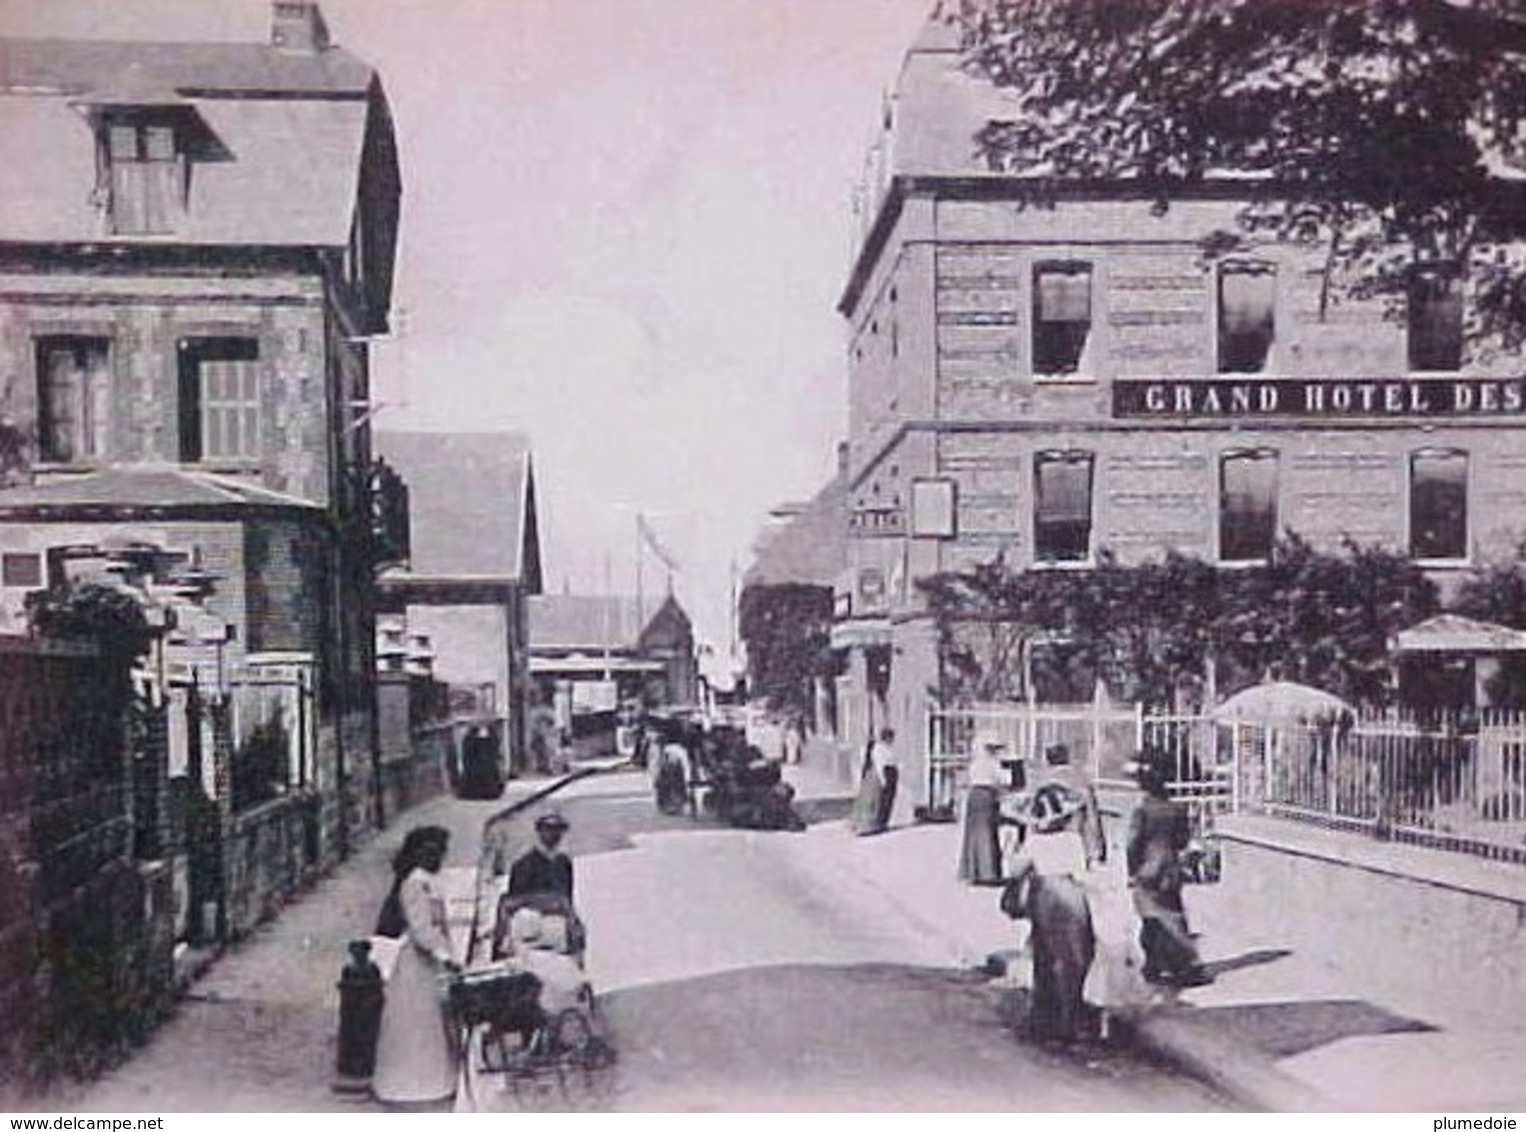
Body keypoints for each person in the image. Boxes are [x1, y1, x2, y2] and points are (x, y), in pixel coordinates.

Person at [1006, 785, 1102, 1044]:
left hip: (1046, 895)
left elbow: (1014, 871)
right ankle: (1069, 1017)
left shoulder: (1034, 843)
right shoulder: (1073, 840)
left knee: (1045, 957)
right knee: (1076, 956)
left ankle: (1044, 1018)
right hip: (1073, 895)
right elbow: (1082, 873)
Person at [372, 825, 459, 1108]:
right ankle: (411, 1084)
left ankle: (430, 1079)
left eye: (441, 852)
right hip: (413, 964)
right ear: (420, 854)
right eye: (433, 852)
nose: (439, 857)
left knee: (429, 1023)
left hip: (428, 964)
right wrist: (446, 956)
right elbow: (421, 929)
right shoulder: (414, 883)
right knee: (416, 1022)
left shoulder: (428, 881)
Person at [1126, 752, 1213, 988]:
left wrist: (1131, 870)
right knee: (1172, 914)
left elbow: (1133, 843)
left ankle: (1168, 964)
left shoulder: (1142, 811)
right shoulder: (1176, 809)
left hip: (1147, 869)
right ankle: (1164, 964)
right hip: (1170, 869)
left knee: (1152, 918)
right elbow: (1182, 840)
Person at [958, 732, 1008, 885]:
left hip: (974, 796)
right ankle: (988, 872)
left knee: (973, 834)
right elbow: (1002, 780)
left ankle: (972, 871)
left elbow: (968, 779)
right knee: (987, 833)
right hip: (987, 795)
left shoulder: (975, 763)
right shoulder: (993, 763)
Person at [508, 812, 574, 901]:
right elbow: (515, 902)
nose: (554, 834)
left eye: (559, 829)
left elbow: (567, 899)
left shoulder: (564, 863)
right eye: (549, 829)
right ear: (540, 831)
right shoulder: (524, 864)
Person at [871, 727, 899, 831]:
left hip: (892, 772)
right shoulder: (879, 748)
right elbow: (879, 764)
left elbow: (894, 760)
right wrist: (882, 779)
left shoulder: (889, 748)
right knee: (884, 800)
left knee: (890, 798)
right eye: (890, 737)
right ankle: (880, 822)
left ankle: (885, 821)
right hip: (885, 772)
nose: (892, 740)